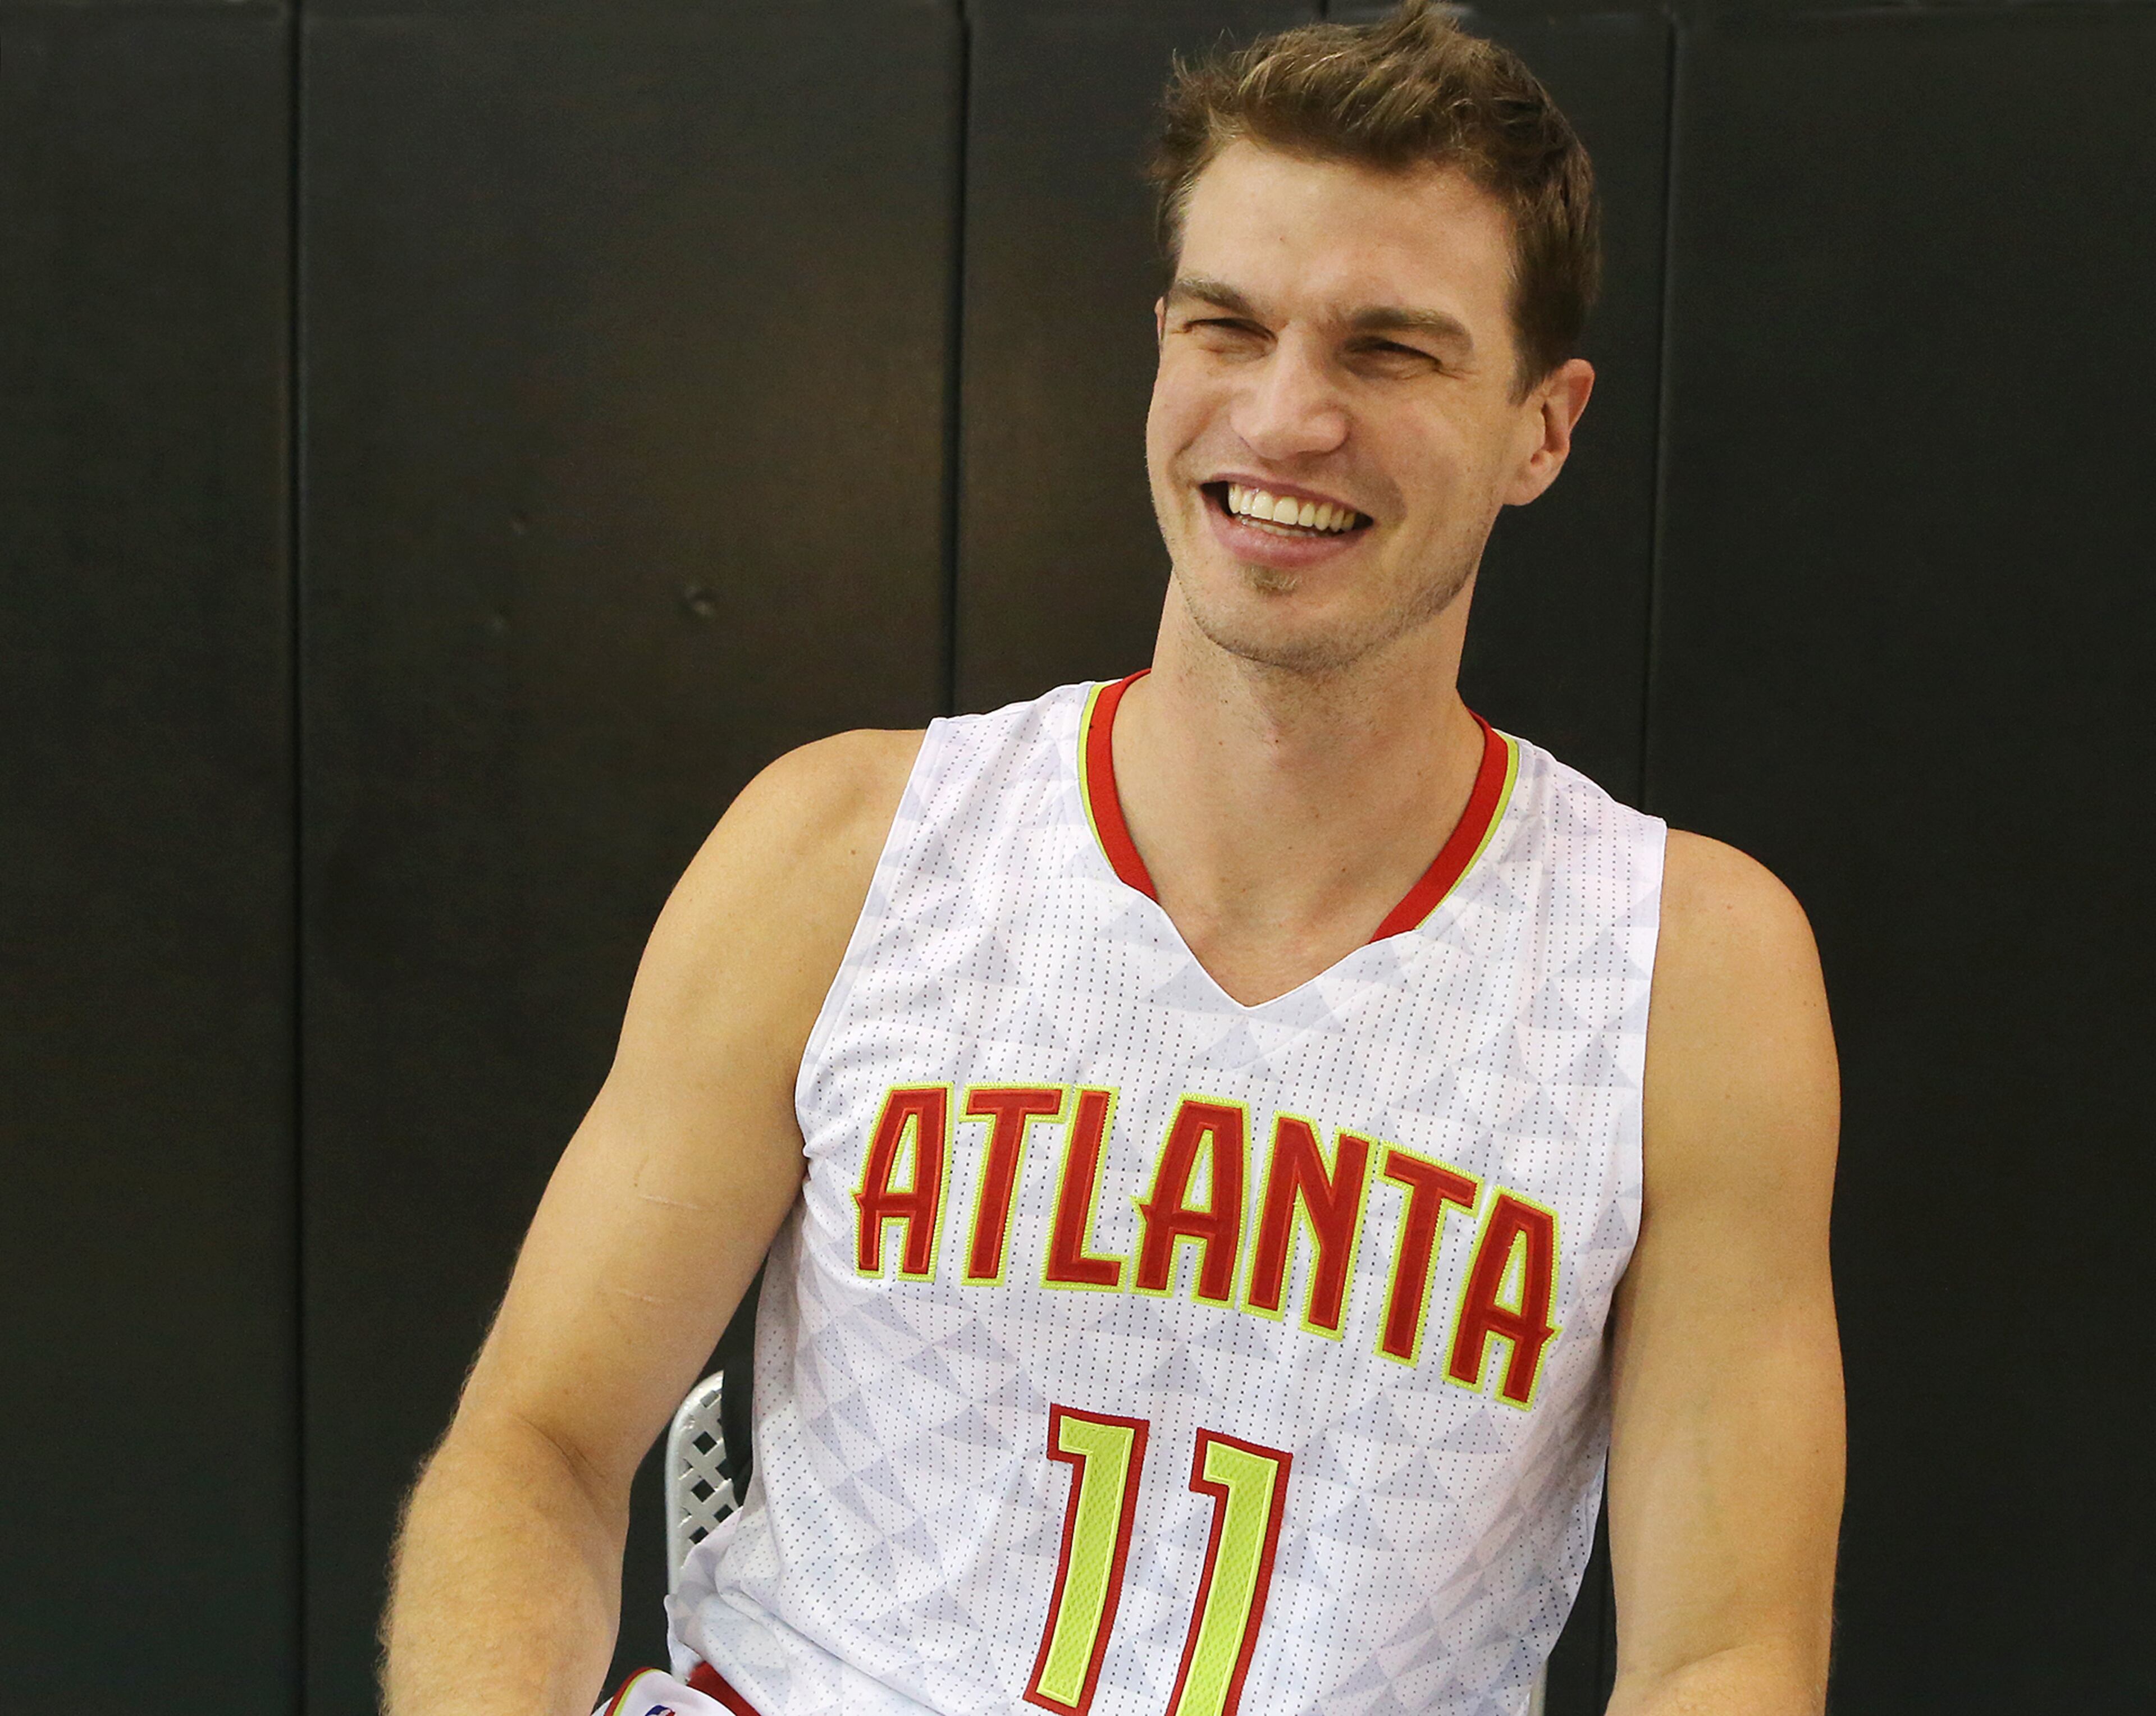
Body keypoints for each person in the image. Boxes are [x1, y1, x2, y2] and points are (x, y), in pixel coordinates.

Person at [381, 5, 1844, 1713]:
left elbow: (1723, 1654)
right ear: (1163, 343)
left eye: (1391, 351)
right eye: (1229, 325)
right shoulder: (844, 848)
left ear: (1545, 424)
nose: (1286, 420)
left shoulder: (1688, 970)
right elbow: (540, 1443)